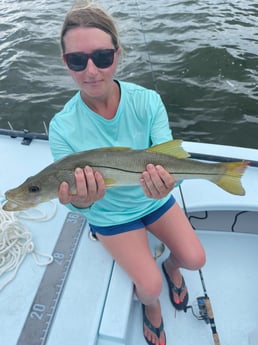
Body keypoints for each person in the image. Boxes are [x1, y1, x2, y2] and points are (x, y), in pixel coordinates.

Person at [49, 2, 206, 345]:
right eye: (78, 60)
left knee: (195, 258)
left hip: (154, 200)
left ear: (117, 55)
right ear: (66, 63)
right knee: (148, 289)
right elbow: (74, 203)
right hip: (110, 213)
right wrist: (83, 204)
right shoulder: (62, 127)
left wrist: (169, 183)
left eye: (102, 57)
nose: (91, 70)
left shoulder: (147, 101)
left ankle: (172, 267)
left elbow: (170, 161)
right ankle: (151, 310)